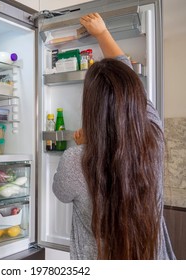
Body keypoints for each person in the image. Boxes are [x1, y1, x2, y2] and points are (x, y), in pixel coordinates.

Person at [52, 13, 176, 260]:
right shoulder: (154, 137)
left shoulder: (76, 159)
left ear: (91, 107)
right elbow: (133, 85)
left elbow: (61, 193)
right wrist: (102, 33)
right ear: (134, 99)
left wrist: (85, 146)